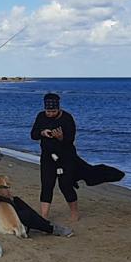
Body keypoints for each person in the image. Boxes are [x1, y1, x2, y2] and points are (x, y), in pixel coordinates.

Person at [0, 147, 72, 236]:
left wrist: (0, 195)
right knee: (26, 215)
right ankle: (50, 229)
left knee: (16, 200)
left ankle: (44, 224)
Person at [30, 92, 80, 223]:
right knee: (47, 185)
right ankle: (44, 215)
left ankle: (74, 212)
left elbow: (71, 139)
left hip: (65, 157)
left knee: (65, 185)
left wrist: (61, 137)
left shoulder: (67, 118)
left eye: (53, 111)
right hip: (47, 156)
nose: (50, 114)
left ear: (58, 109)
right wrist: (42, 132)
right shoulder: (41, 116)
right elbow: (33, 134)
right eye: (48, 111)